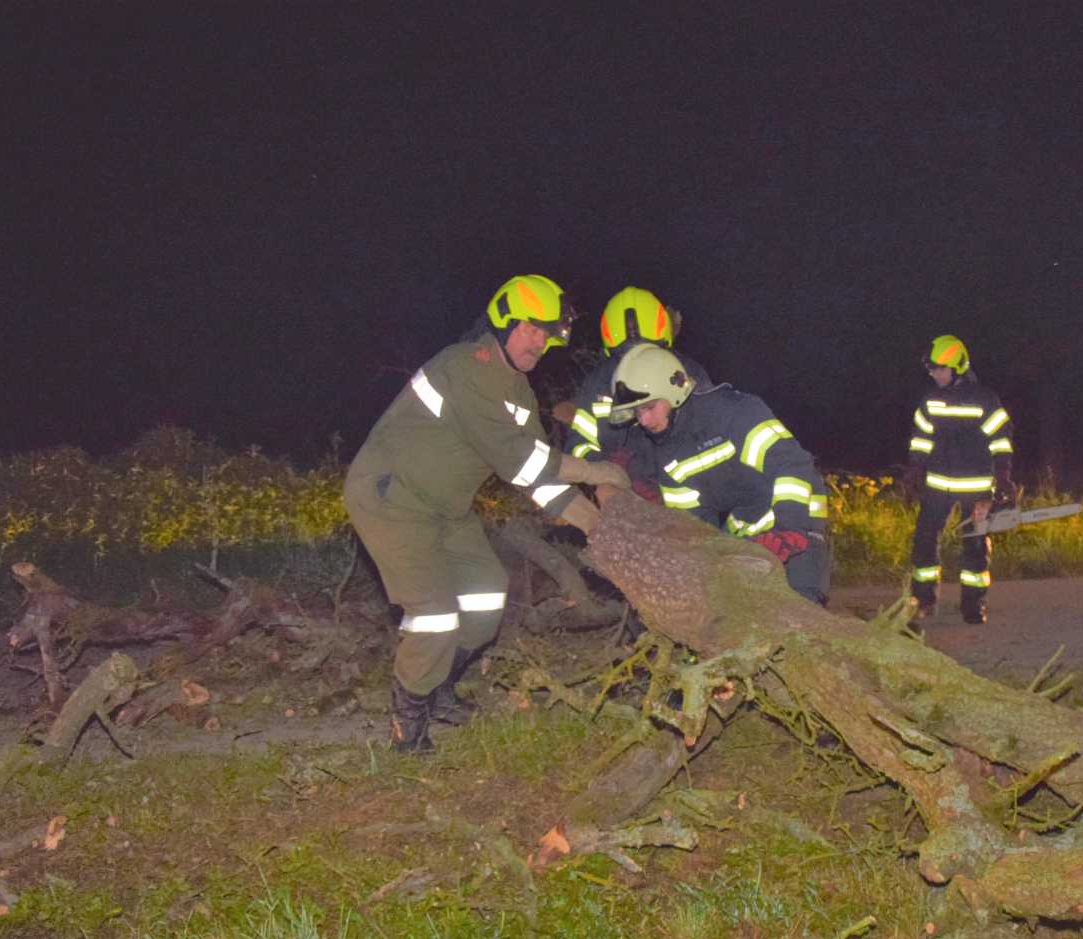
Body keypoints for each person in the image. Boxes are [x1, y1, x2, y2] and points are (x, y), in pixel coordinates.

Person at [344, 274, 631, 752]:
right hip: (392, 500)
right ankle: (408, 725)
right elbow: (520, 460)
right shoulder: (468, 367)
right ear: (503, 322)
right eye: (530, 328)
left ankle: (439, 689)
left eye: (546, 333)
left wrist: (599, 528)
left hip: (445, 509)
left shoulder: (517, 392)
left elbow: (538, 475)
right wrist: (598, 472)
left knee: (485, 594)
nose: (538, 341)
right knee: (434, 615)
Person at [607, 343, 831, 603]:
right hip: (750, 530)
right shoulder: (667, 456)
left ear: (674, 391)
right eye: (636, 412)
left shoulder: (733, 414)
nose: (643, 421)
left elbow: (791, 465)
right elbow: (694, 525)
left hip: (799, 516)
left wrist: (789, 528)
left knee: (802, 605)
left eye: (649, 407)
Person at [903, 335, 1015, 624]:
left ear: (958, 367)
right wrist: (915, 470)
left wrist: (1003, 476)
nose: (934, 374)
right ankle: (923, 600)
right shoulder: (930, 400)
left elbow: (1001, 440)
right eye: (931, 369)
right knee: (924, 540)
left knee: (975, 547)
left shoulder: (984, 399)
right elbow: (920, 439)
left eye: (940, 369)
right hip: (938, 485)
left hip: (976, 487)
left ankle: (973, 604)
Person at [564, 286, 710, 496]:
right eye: (625, 355)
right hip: (623, 494)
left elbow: (714, 436)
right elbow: (579, 446)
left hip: (689, 495)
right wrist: (603, 472)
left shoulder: (686, 374)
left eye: (647, 352)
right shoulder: (598, 383)